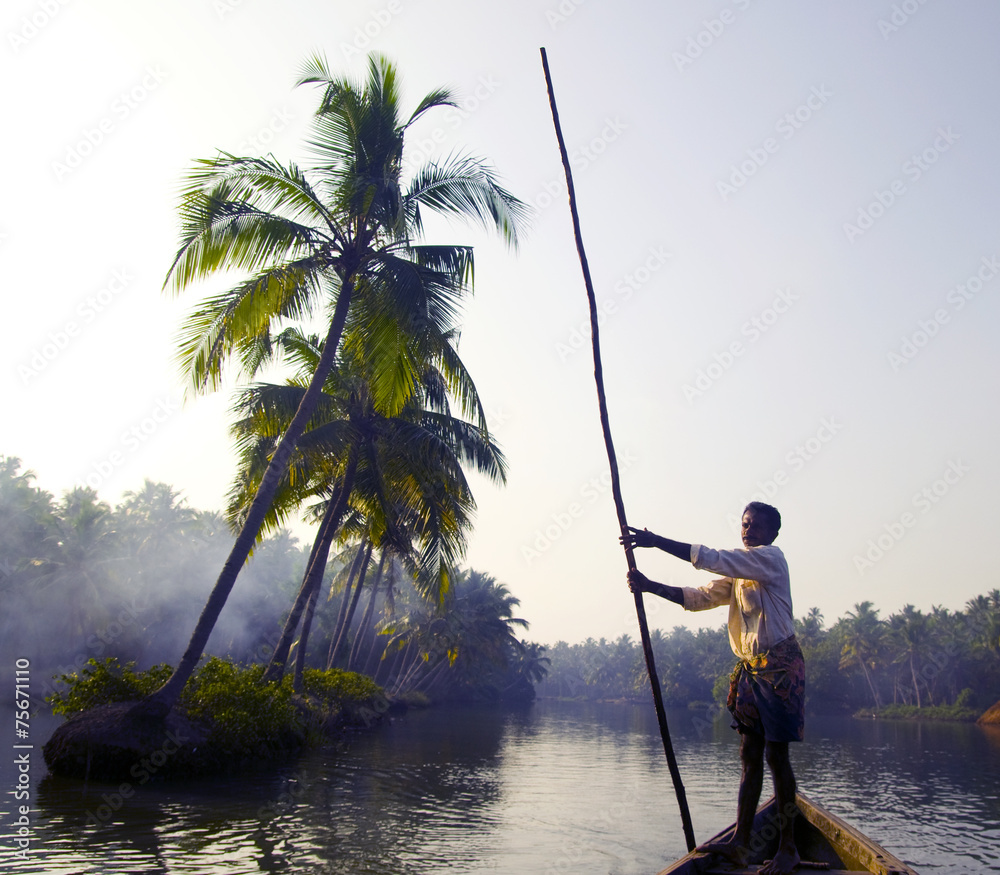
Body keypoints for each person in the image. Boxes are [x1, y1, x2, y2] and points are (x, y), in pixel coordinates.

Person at [621, 501, 804, 875]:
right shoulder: (739, 575)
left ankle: (788, 848)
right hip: (752, 669)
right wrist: (649, 586)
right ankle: (741, 843)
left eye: (756, 525)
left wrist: (656, 540)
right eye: (745, 524)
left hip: (780, 668)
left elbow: (713, 558)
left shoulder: (769, 559)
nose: (748, 529)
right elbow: (701, 597)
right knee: (749, 755)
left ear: (772, 533)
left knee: (776, 757)